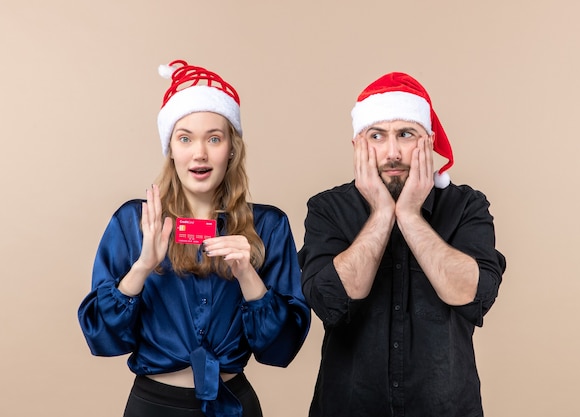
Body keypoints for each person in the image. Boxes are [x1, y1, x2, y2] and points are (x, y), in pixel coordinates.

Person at [78, 59, 311, 417]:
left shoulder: (269, 225)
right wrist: (142, 267)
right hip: (153, 407)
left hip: (233, 404)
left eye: (213, 139)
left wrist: (247, 274)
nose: (199, 153)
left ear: (231, 148)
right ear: (170, 148)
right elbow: (101, 338)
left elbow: (280, 350)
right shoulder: (133, 222)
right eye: (185, 138)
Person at [298, 72, 506, 417]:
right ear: (357, 146)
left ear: (429, 141)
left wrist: (409, 215)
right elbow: (330, 301)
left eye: (406, 134)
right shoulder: (327, 209)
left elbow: (472, 293)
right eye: (377, 136)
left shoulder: (467, 206)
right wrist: (382, 213)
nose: (392, 153)